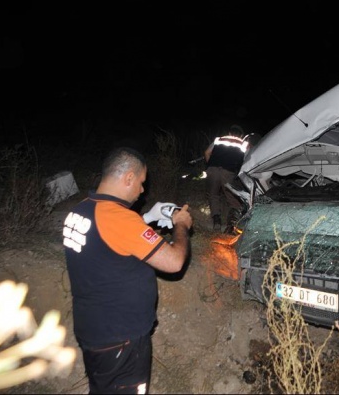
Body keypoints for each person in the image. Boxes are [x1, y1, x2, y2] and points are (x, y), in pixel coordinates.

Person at [62, 146, 193, 394]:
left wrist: (146, 219)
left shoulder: (80, 209)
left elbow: (108, 240)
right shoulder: (121, 220)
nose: (142, 190)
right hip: (121, 338)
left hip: (93, 330)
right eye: (141, 182)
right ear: (129, 178)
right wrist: (181, 226)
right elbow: (175, 261)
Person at [204, 124, 249, 232]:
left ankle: (217, 222)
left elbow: (207, 152)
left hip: (213, 169)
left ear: (229, 132)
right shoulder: (244, 144)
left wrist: (210, 165)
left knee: (213, 195)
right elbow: (247, 160)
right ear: (241, 135)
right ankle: (232, 225)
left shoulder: (219, 139)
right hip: (228, 172)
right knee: (233, 197)